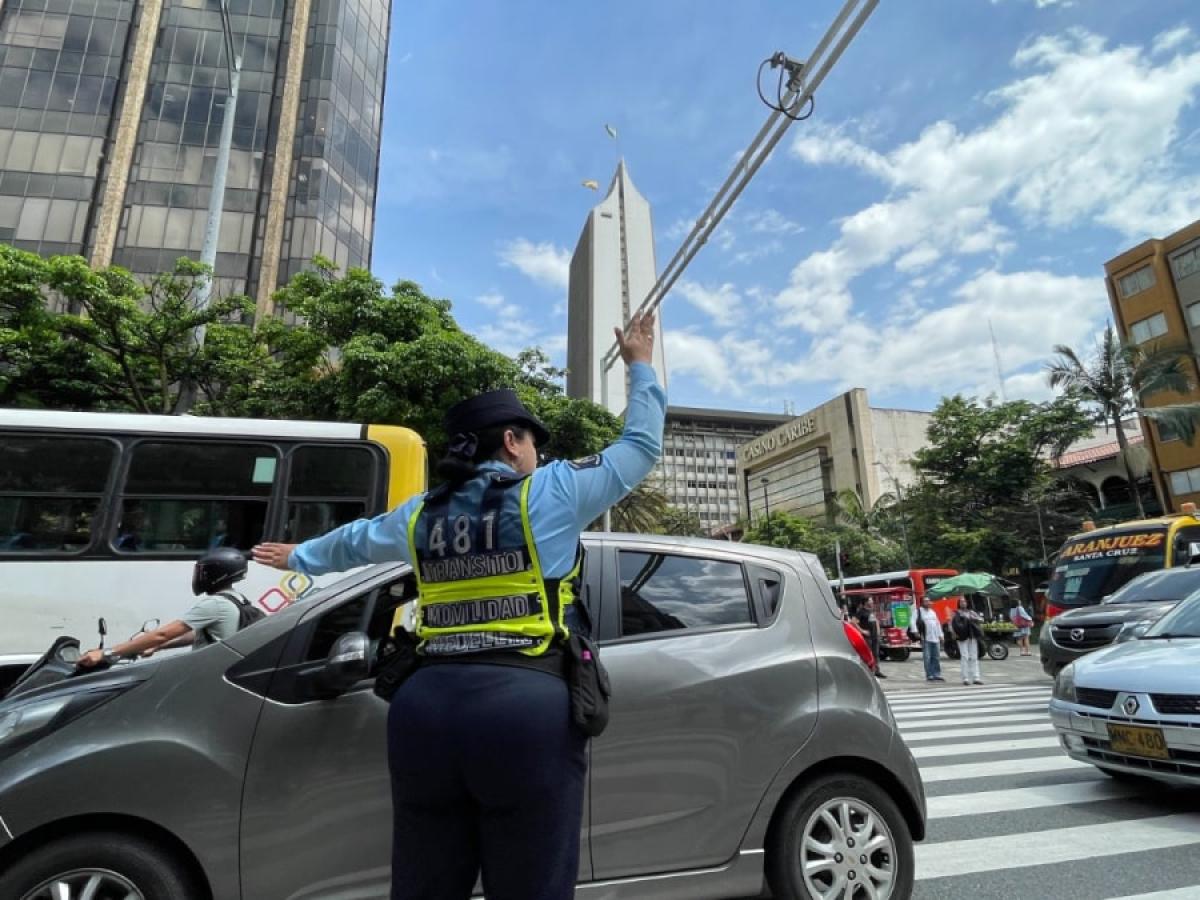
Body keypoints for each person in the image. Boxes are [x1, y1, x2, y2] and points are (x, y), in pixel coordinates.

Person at [252, 312, 665, 900]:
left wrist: (298, 557)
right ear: (510, 441)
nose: (537, 457)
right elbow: (641, 446)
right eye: (532, 443)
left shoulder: (422, 513)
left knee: (426, 881)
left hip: (424, 712)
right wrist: (640, 364)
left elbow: (354, 541)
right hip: (525, 707)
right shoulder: (552, 491)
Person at [78, 547, 251, 667]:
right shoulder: (237, 599)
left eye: (202, 572)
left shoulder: (216, 604)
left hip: (207, 675)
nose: (198, 577)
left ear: (215, 575)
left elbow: (162, 634)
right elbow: (195, 635)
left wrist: (107, 653)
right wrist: (158, 647)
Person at [950, 596, 985, 685]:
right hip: (961, 636)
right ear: (958, 603)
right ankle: (965, 678)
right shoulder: (955, 613)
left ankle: (976, 677)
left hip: (972, 636)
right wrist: (953, 633)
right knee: (964, 656)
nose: (963, 603)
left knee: (974, 656)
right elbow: (950, 623)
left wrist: (975, 618)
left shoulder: (971, 612)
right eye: (961, 602)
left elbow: (981, 620)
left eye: (964, 602)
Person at [855, 598, 886, 679]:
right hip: (867, 637)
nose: (872, 602)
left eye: (872, 600)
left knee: (876, 654)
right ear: (865, 602)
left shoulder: (871, 611)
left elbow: (876, 621)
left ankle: (877, 670)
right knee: (868, 654)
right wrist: (862, 631)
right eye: (870, 600)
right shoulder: (861, 612)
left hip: (875, 635)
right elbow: (853, 622)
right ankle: (868, 671)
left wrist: (879, 631)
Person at [916, 595, 945, 682]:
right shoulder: (918, 612)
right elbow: (913, 622)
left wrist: (941, 635)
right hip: (926, 638)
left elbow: (937, 624)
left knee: (936, 657)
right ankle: (929, 674)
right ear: (922, 603)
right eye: (925, 601)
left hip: (935, 637)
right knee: (927, 657)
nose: (928, 603)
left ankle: (936, 674)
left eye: (928, 601)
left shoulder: (933, 612)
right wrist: (916, 632)